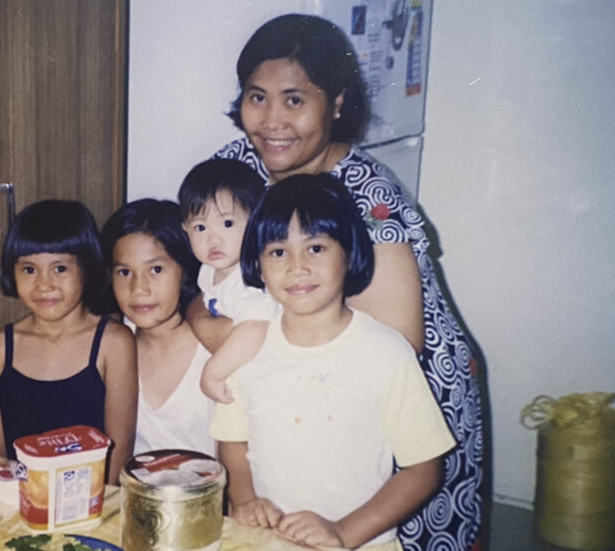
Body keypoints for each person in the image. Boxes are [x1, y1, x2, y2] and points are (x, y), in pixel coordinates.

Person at [199, 13, 484, 550]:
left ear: (335, 102)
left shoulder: (368, 192)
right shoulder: (236, 167)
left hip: (403, 392)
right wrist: (223, 333)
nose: (272, 121)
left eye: (295, 99)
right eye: (257, 97)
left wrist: (243, 347)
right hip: (287, 380)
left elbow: (401, 337)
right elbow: (201, 274)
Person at [212, 174, 454, 550]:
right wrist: (244, 500)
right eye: (278, 252)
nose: (297, 267)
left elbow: (423, 469)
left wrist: (343, 532)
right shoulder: (247, 351)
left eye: (316, 248)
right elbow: (232, 440)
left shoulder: (386, 352)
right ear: (257, 266)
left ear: (349, 254)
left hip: (363, 543)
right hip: (267, 540)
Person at [0, 199, 137, 484]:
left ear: (86, 269)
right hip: (22, 501)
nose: (44, 284)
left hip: (92, 505)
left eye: (60, 268)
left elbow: (119, 447)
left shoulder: (113, 343)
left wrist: (105, 513)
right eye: (29, 269)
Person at [100, 199, 215, 457]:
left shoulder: (213, 345)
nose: (139, 288)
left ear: (184, 271)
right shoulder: (113, 345)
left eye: (156, 269)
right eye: (125, 273)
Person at [176, 158, 277, 403]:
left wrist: (213, 372)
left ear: (254, 223)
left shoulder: (249, 276)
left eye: (228, 223)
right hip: (237, 380)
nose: (213, 240)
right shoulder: (208, 270)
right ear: (185, 229)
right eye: (200, 227)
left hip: (266, 382)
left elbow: (254, 329)